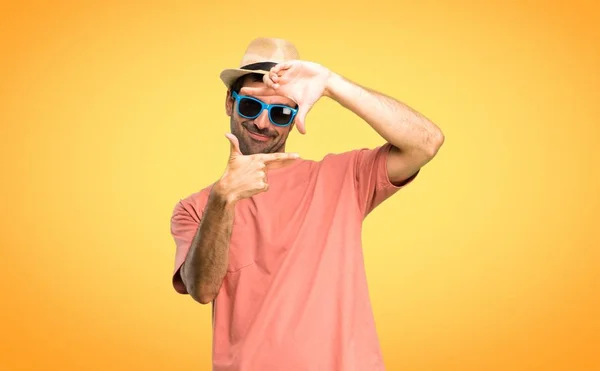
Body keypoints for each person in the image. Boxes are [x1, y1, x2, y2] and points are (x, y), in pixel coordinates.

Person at [169, 37, 444, 371]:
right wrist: (222, 200)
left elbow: (426, 142)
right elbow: (201, 289)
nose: (262, 123)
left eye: (282, 112)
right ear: (230, 102)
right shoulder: (196, 208)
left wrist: (331, 84)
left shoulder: (344, 178)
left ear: (296, 115)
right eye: (251, 106)